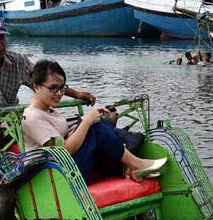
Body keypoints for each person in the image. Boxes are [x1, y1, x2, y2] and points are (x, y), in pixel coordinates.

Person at [0, 16, 95, 144]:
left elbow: (45, 82)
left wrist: (76, 94)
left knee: (53, 128)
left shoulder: (17, 61)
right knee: (13, 139)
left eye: (1, 38)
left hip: (15, 118)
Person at [21, 59, 167, 183]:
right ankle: (136, 164)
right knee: (93, 126)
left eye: (62, 88)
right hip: (55, 177)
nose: (59, 93)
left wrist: (88, 120)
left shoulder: (49, 110)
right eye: (53, 88)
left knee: (97, 123)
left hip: (63, 167)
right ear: (36, 87)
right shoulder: (33, 118)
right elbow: (63, 151)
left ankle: (128, 167)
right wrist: (86, 122)